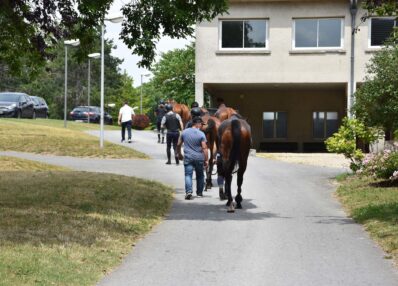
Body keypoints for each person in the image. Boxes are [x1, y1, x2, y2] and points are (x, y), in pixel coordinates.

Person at [177, 116, 208, 200]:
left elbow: (178, 144)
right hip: (199, 158)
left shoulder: (184, 132)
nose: (202, 126)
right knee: (200, 175)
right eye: (201, 124)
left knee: (188, 175)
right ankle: (199, 193)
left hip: (188, 157)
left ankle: (189, 192)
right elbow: (204, 148)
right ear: (197, 124)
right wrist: (206, 160)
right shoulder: (201, 134)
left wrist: (179, 153)